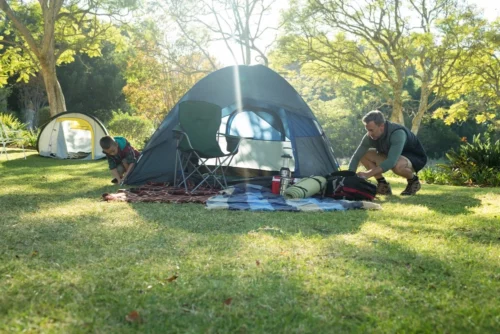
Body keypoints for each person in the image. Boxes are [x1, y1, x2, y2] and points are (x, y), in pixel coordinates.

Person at [348, 110, 427, 196]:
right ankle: (383, 185)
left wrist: (368, 174)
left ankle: (413, 181)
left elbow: (391, 161)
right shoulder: (369, 136)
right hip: (392, 156)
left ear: (381, 126)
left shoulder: (397, 133)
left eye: (371, 130)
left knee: (397, 165)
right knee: (364, 155)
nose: (369, 134)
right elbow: (356, 156)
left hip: (415, 158)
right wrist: (349, 176)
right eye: (367, 130)